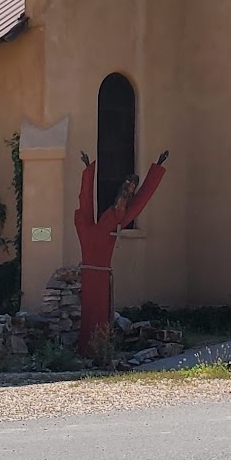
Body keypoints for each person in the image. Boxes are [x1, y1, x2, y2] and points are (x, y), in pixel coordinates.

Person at [74, 148, 167, 360]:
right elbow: (85, 202)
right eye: (126, 189)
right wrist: (88, 170)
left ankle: (98, 349)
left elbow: (142, 199)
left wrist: (157, 167)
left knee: (99, 316)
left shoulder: (118, 222)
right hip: (93, 275)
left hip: (100, 276)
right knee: (91, 315)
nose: (127, 193)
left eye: (130, 190)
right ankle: (90, 349)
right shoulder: (98, 226)